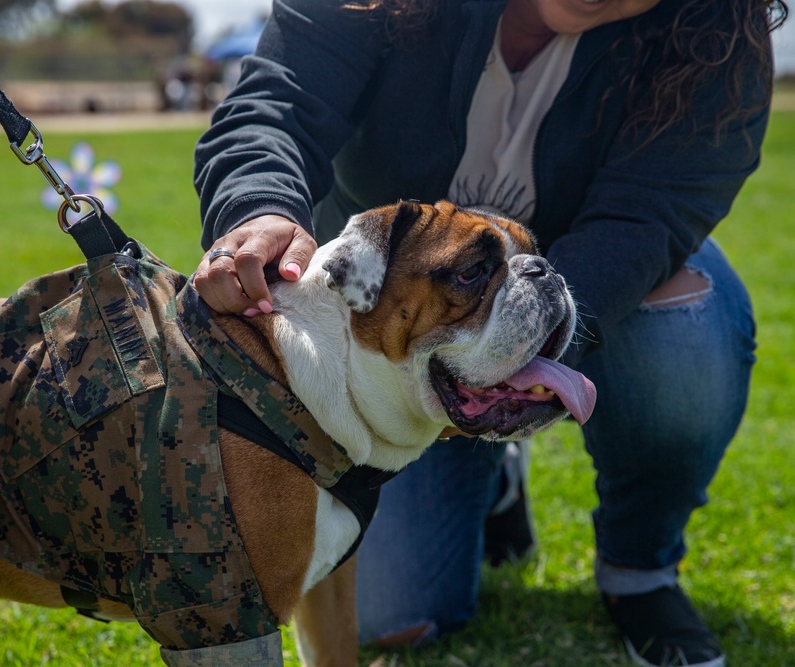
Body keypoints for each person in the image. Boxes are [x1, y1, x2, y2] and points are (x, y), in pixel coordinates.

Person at [191, 0, 785, 664]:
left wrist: (511, 348)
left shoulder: (717, 43)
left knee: (685, 334)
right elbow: (277, 100)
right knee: (390, 613)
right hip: (385, 327)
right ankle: (493, 475)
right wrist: (258, 205)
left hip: (588, 280)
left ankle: (639, 569)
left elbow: (644, 222)